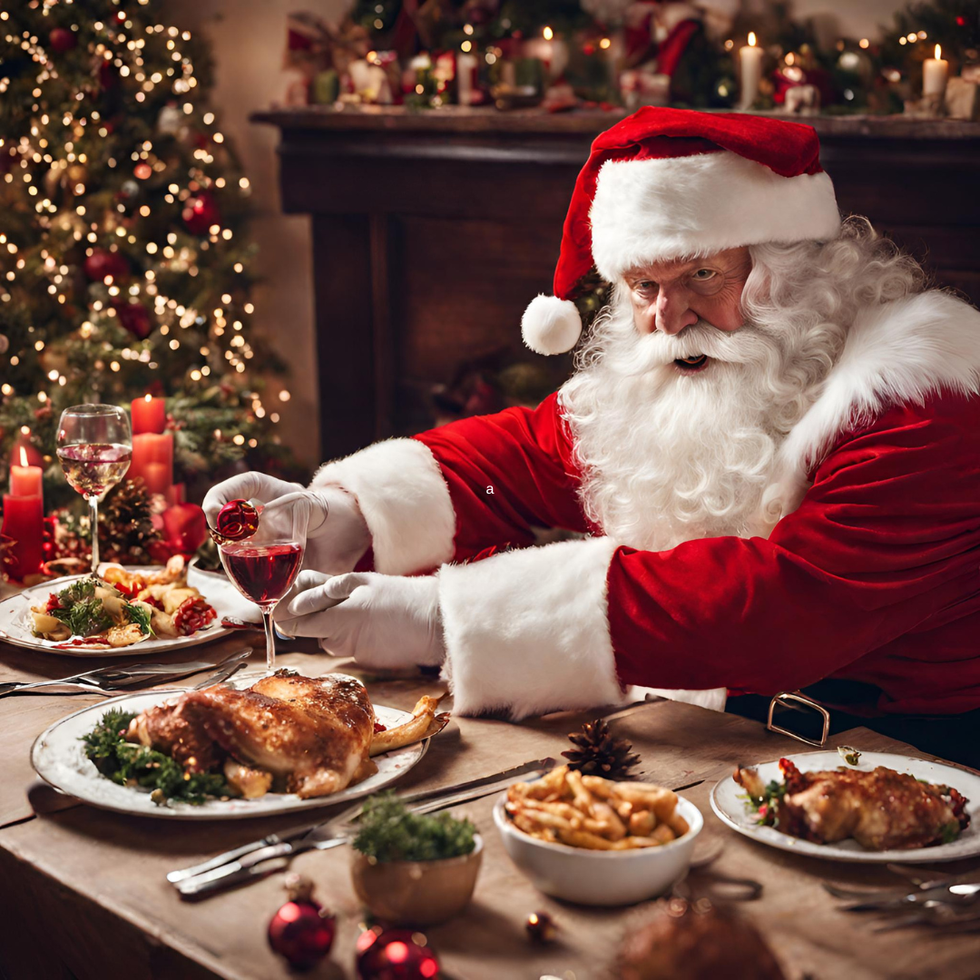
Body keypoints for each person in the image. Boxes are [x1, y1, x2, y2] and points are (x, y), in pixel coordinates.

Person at [205, 109, 980, 766]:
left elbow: (780, 607)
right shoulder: (676, 372)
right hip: (717, 737)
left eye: (703, 275)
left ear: (793, 271)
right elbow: (520, 456)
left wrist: (447, 619)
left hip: (903, 760)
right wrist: (340, 519)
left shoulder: (921, 395)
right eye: (645, 286)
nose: (669, 317)